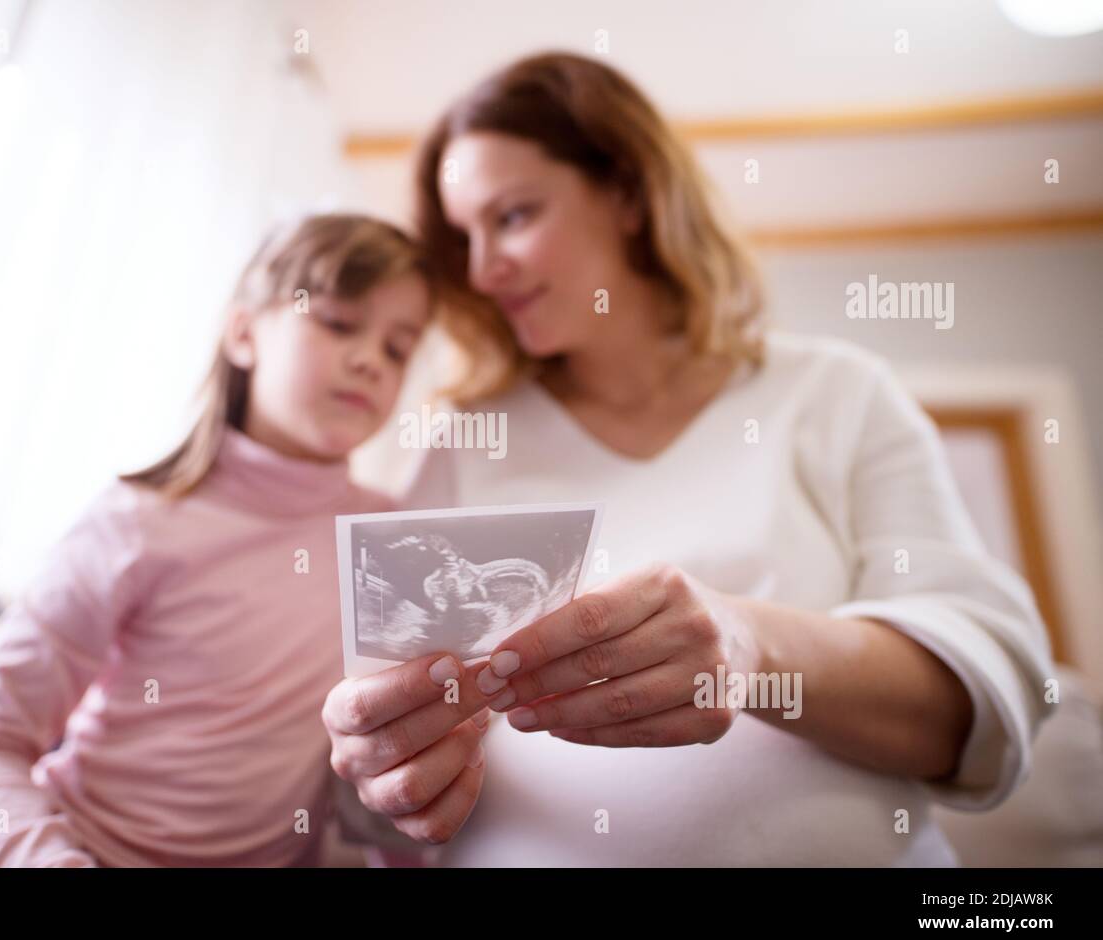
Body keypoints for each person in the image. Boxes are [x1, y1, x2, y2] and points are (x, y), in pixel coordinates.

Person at [322, 52, 1054, 866]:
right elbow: (382, 781)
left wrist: (748, 643)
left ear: (630, 194)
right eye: (463, 238)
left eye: (515, 216)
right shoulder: (460, 439)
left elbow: (990, 704)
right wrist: (382, 768)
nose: (484, 268)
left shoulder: (834, 393)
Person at [0, 214, 442, 866]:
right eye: (337, 322)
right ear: (244, 333)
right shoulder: (135, 521)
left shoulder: (392, 540)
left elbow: (389, 774)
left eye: (398, 347)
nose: (369, 360)